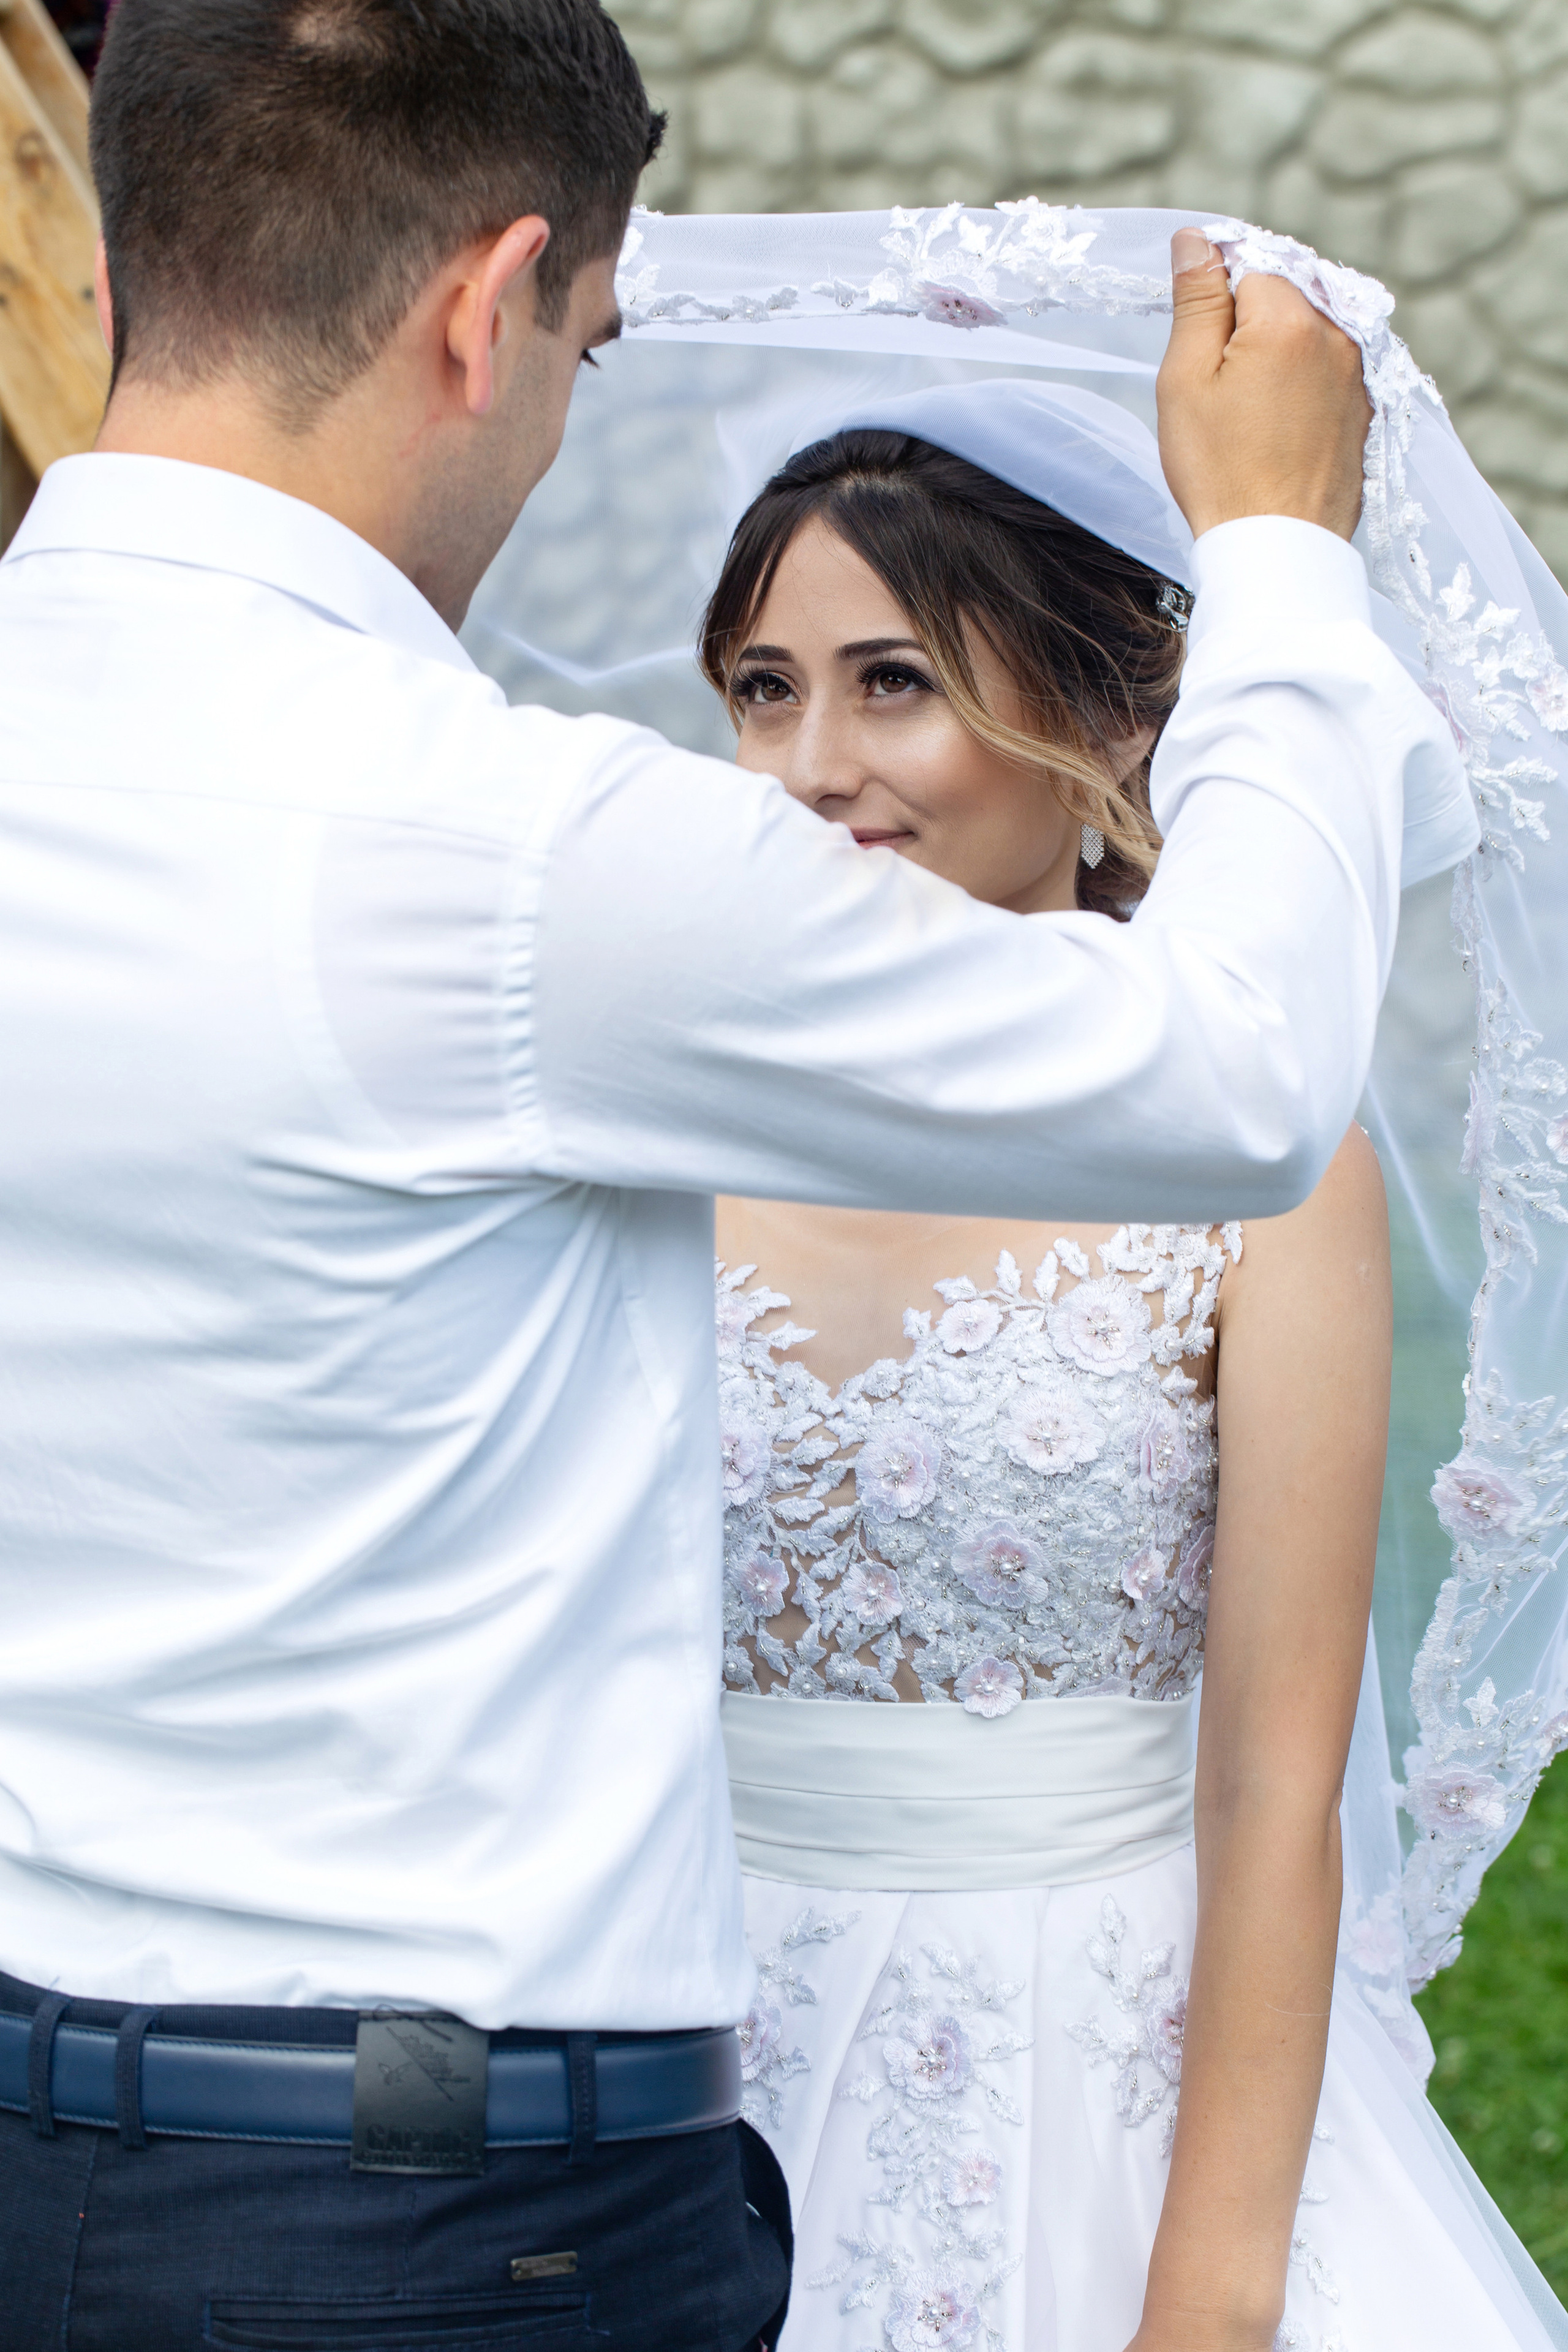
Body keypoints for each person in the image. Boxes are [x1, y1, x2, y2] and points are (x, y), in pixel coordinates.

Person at [0, 2, 1461, 2346]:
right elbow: (1246, 1058)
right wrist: (1284, 560)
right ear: (490, 307)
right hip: (433, 2222)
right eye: (585, 339)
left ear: (110, 285)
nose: (810, 756)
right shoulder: (514, 862)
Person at [705, 390, 1561, 2351]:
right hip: (680, 2051)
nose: (812, 766)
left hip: (1102, 2054)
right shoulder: (672, 1124)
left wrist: (1214, 2286)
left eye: (892, 682)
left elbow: (1276, 1777)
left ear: (1102, 723)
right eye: (763, 690)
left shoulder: (1257, 1165)